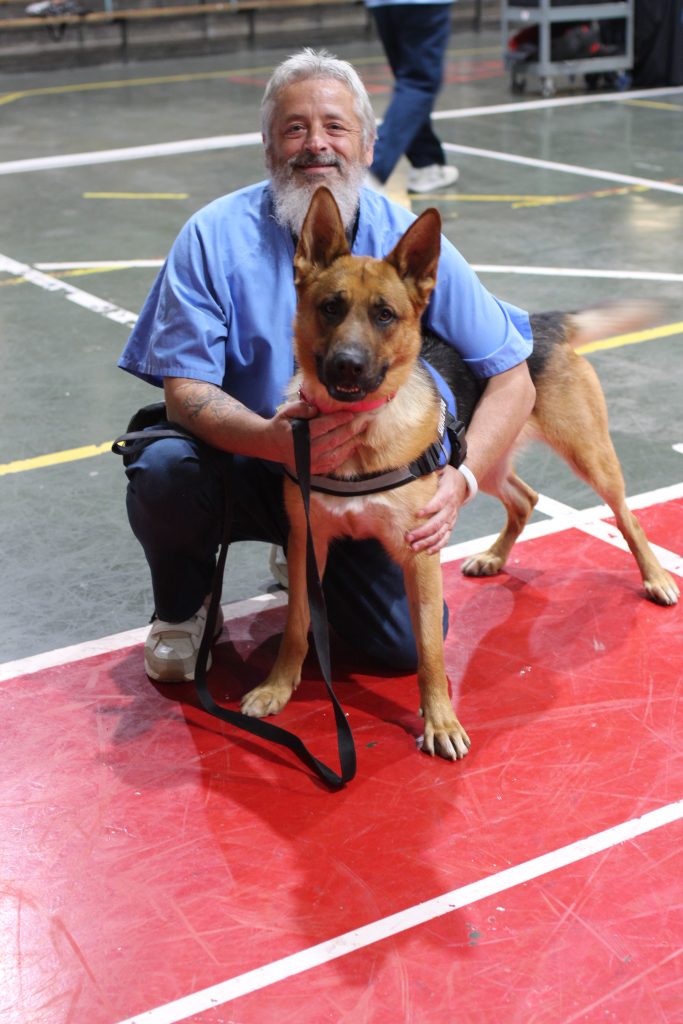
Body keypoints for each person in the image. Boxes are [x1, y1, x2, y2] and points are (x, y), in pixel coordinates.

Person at [118, 48, 535, 685]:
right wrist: (272, 441)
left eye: (336, 127)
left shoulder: (411, 246)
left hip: (353, 479)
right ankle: (184, 605)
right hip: (240, 455)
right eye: (295, 128)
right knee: (164, 470)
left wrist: (464, 478)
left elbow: (513, 377)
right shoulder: (210, 236)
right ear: (268, 146)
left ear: (368, 146)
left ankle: (308, 555)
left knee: (400, 648)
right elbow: (184, 393)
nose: (317, 145)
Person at [365, 0, 459, 193]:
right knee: (419, 83)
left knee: (409, 82)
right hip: (423, 4)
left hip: (382, 5)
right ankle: (373, 168)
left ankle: (426, 163)